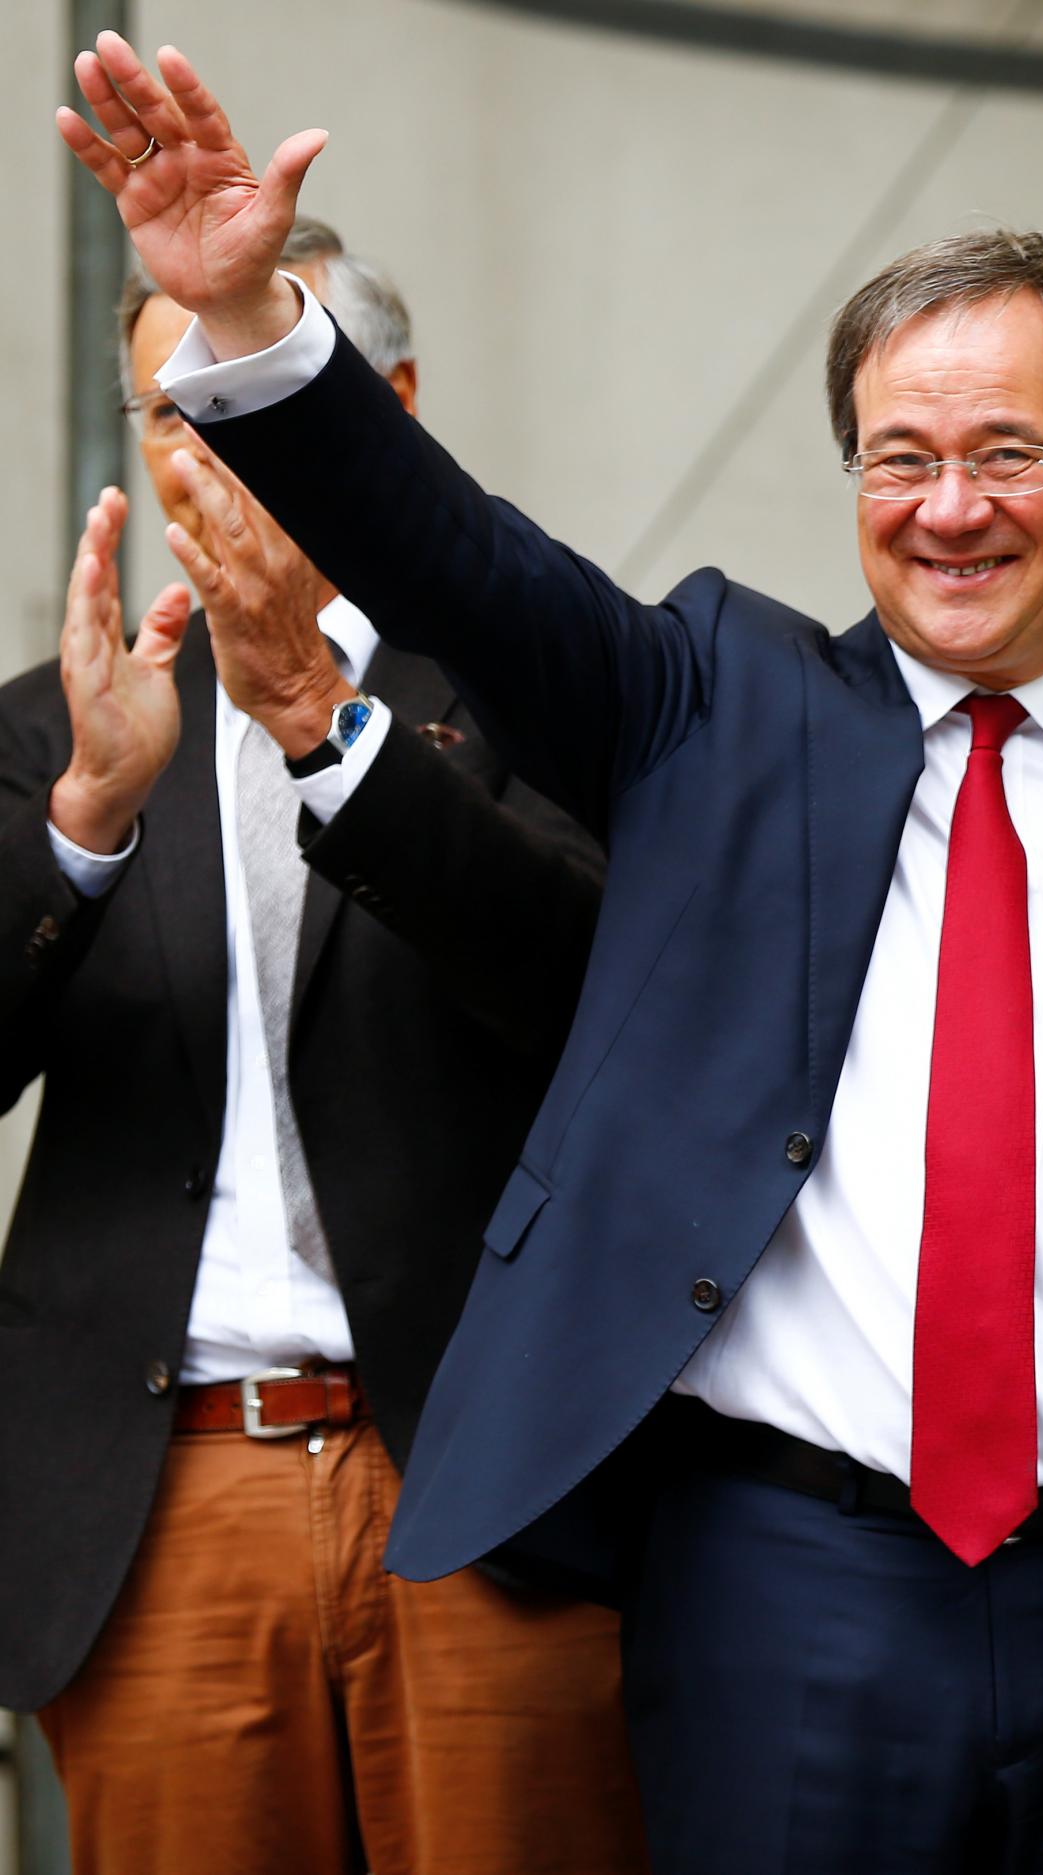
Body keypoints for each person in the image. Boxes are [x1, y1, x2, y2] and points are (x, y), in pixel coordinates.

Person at [54, 34, 1043, 1875]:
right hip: (786, 1585)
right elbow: (456, 556)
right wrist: (244, 315)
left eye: (1008, 453)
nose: (951, 508)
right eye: (901, 457)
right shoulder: (716, 701)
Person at [0, 218, 643, 1874]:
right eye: (170, 408)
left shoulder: (541, 686)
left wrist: (318, 724)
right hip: (166, 1494)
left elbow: (582, 980)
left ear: (391, 407)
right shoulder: (56, 725)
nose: (212, 442)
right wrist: (84, 823)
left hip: (484, 1484)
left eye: (257, 389)